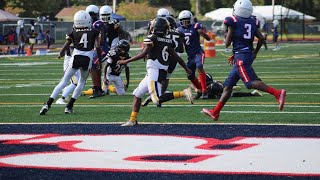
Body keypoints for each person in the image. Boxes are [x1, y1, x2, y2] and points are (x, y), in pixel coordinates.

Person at [202, 0, 286, 121]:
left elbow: (227, 43)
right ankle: (215, 112)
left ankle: (277, 93)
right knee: (227, 86)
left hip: (241, 57)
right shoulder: (252, 21)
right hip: (244, 55)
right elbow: (261, 38)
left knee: (250, 83)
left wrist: (227, 32)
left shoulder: (233, 21)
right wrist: (253, 53)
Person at [117, 17, 193, 126]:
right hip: (159, 71)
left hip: (154, 71)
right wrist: (186, 69)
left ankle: (183, 93)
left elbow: (143, 54)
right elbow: (177, 58)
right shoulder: (169, 41)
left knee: (156, 100)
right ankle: (132, 120)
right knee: (138, 94)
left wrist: (126, 61)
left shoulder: (153, 38)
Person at [39, 10, 101, 115]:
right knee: (81, 82)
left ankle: (48, 104)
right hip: (87, 59)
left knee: (63, 82)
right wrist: (98, 59)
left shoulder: (73, 32)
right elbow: (98, 47)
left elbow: (67, 44)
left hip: (75, 58)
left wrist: (61, 53)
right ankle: (69, 106)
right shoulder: (94, 31)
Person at [142, 15, 185, 107]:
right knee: (163, 78)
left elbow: (149, 40)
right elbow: (180, 48)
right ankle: (157, 96)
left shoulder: (157, 35)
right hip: (171, 56)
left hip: (162, 57)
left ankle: (158, 97)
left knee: (160, 78)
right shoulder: (177, 33)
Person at [178, 10, 211, 99]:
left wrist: (202, 33)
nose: (185, 22)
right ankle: (200, 90)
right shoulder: (179, 30)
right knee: (190, 75)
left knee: (199, 66)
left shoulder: (196, 26)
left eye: (187, 20)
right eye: (183, 20)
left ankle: (204, 90)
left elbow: (208, 38)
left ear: (191, 19)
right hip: (190, 55)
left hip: (198, 53)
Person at [85, 4, 108, 99]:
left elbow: (101, 40)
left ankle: (97, 88)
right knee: (94, 67)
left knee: (93, 66)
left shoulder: (98, 23)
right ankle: (98, 88)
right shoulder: (94, 23)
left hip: (102, 48)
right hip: (97, 48)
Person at [190, 73, 262, 99]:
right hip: (219, 88)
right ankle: (252, 93)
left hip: (220, 91)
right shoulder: (208, 85)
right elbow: (191, 84)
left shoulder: (213, 87)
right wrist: (196, 89)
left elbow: (200, 95)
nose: (199, 81)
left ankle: (232, 87)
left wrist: (197, 95)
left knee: (230, 94)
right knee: (231, 94)